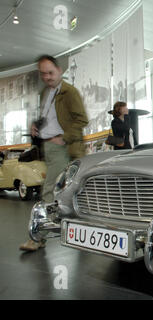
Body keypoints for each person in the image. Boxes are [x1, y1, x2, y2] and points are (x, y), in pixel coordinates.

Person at [20, 55, 88, 251]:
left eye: (50, 72)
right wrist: (37, 126)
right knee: (73, 191)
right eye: (43, 73)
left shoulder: (69, 92)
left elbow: (82, 120)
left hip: (62, 147)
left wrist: (63, 137)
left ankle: (37, 237)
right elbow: (49, 117)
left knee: (49, 191)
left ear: (59, 71)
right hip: (48, 147)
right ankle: (83, 233)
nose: (47, 77)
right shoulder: (45, 93)